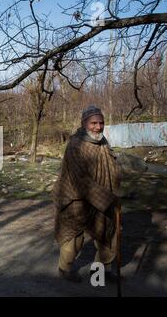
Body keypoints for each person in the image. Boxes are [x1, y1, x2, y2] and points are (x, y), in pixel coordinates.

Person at [52, 105, 121, 283]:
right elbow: (80, 180)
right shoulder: (75, 145)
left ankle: (100, 274)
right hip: (76, 199)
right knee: (73, 240)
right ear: (84, 123)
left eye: (101, 123)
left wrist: (115, 192)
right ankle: (65, 270)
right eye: (93, 123)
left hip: (103, 197)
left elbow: (110, 168)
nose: (98, 127)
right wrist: (107, 199)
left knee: (107, 235)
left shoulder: (102, 142)